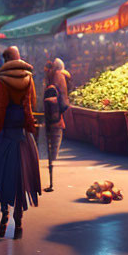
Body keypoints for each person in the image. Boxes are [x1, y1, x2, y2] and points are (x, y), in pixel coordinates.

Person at [0, 46, 41, 239]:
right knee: (22, 180)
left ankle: (4, 218)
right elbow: (32, 103)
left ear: (6, 60)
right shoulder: (28, 78)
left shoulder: (2, 81)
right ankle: (19, 225)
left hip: (6, 137)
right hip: (23, 137)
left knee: (3, 176)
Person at [42, 57, 70, 192]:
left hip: (50, 117)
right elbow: (64, 102)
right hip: (57, 119)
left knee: (50, 146)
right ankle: (52, 171)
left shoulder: (50, 78)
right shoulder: (60, 77)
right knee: (54, 147)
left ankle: (51, 172)